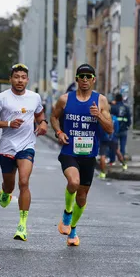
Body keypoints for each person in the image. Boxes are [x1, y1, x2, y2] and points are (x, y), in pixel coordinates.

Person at [50, 63, 113, 246]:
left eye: (88, 76)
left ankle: (73, 230)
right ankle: (67, 213)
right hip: (69, 151)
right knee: (73, 182)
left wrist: (98, 116)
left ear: (93, 80)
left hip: (88, 155)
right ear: (77, 79)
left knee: (82, 196)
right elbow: (54, 117)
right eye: (81, 76)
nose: (85, 79)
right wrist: (59, 133)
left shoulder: (100, 101)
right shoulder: (65, 99)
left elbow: (109, 129)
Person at [0, 63, 48, 241]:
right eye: (16, 77)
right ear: (10, 79)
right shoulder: (2, 98)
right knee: (10, 185)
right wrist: (8, 123)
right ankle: (5, 191)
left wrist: (43, 124)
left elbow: (40, 116)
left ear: (27, 80)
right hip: (7, 146)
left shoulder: (34, 97)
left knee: (24, 182)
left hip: (27, 145)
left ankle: (22, 224)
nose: (20, 80)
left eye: (23, 77)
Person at [98, 112, 127, 179]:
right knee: (117, 151)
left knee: (102, 155)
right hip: (113, 138)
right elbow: (117, 129)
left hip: (103, 139)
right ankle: (124, 164)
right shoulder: (114, 118)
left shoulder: (101, 118)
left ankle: (103, 173)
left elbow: (99, 129)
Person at [110, 93, 131, 159]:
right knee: (123, 146)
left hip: (115, 130)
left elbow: (110, 118)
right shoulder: (126, 107)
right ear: (122, 99)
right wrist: (127, 126)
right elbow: (129, 119)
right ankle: (122, 160)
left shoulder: (113, 107)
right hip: (124, 129)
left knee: (114, 146)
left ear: (115, 99)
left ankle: (112, 160)